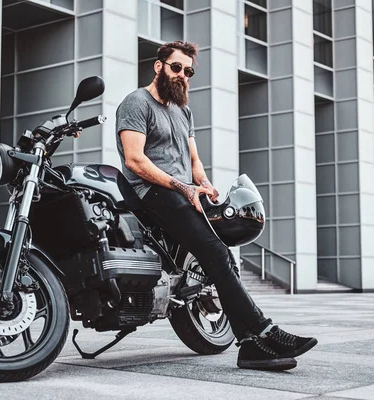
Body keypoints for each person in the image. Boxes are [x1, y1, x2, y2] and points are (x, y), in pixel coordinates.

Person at [115, 40, 317, 371]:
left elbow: (192, 158)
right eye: (176, 67)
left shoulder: (183, 111)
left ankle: (250, 346)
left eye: (189, 71)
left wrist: (204, 184)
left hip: (183, 193)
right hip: (150, 191)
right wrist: (183, 187)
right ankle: (266, 331)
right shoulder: (137, 103)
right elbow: (135, 161)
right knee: (216, 253)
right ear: (159, 66)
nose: (182, 75)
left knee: (221, 256)